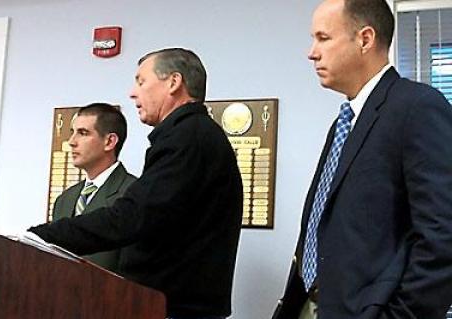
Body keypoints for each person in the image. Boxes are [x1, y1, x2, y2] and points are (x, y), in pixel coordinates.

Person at [29, 48, 243, 319]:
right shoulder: (192, 135)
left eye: (141, 81)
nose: (132, 92)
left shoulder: (188, 137)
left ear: (173, 83)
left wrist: (40, 237)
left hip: (175, 308)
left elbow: (132, 218)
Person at [272, 0, 452, 318]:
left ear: (365, 39)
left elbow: (443, 236)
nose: (311, 52)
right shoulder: (347, 121)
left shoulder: (417, 107)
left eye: (323, 38)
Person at [52, 102, 137, 272]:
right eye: (72, 132)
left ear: (109, 141)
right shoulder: (65, 200)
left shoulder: (134, 193)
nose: (71, 142)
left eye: (83, 133)